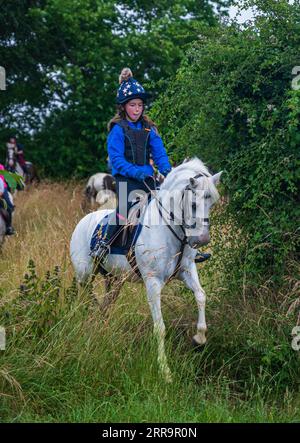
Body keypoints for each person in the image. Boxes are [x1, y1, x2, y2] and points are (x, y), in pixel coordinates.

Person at [91, 67, 210, 263]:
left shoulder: (150, 128)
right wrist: (138, 173)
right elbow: (117, 161)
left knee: (176, 206)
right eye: (132, 105)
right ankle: (102, 245)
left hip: (148, 180)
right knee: (125, 211)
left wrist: (168, 172)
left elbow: (160, 154)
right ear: (123, 107)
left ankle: (190, 251)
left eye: (140, 105)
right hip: (126, 180)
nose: (137, 109)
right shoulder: (117, 130)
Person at [0, 164, 15, 235]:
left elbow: (1, 179)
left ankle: (9, 227)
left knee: (8, 206)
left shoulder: (1, 166)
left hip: (2, 187)